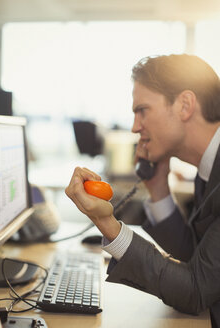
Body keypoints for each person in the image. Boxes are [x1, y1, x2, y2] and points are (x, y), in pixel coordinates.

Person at [65, 54, 220, 328]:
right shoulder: (208, 170)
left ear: (185, 105)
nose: (136, 126)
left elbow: (196, 290)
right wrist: (158, 187)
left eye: (142, 110)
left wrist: (107, 224)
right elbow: (195, 257)